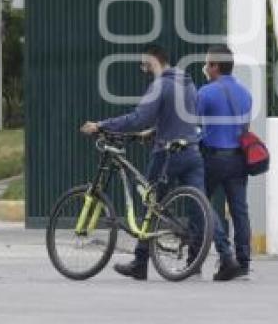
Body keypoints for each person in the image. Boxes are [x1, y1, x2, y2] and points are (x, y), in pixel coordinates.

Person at [81, 44, 206, 281]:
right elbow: (182, 115)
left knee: (150, 205)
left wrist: (101, 125)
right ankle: (199, 261)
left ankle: (140, 262)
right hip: (191, 150)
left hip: (167, 155)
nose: (143, 68)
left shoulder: (160, 85)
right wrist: (155, 131)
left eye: (143, 63)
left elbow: (138, 118)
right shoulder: (188, 83)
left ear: (152, 60)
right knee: (199, 207)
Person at [198, 44, 253, 281]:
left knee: (199, 202)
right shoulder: (246, 94)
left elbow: (193, 125)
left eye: (208, 63)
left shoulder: (205, 92)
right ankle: (243, 262)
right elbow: (245, 128)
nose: (205, 67)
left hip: (213, 157)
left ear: (215, 66)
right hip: (239, 160)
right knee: (239, 211)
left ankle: (195, 257)